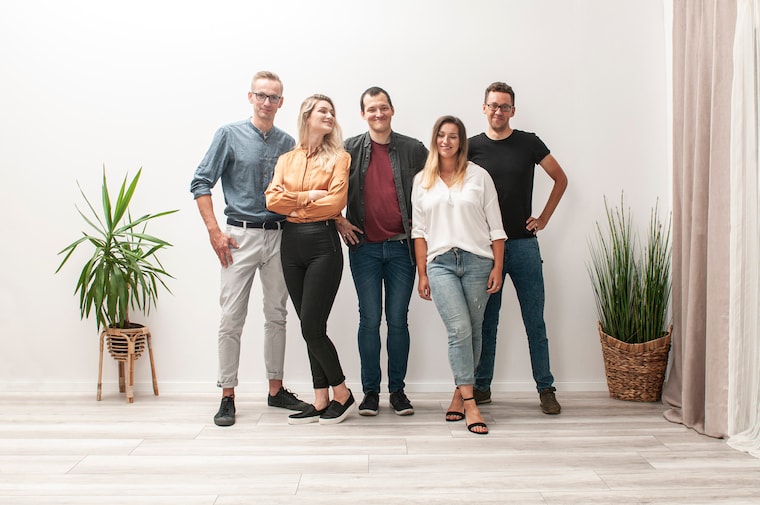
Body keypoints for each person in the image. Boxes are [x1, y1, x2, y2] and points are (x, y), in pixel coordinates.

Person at [190, 71, 310, 427]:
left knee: (277, 314)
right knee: (231, 317)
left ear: (281, 102)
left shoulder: (288, 143)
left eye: (273, 97)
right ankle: (227, 394)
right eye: (261, 95)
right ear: (250, 97)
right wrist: (215, 232)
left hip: (279, 236)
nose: (267, 102)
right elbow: (201, 181)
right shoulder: (229, 134)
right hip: (239, 237)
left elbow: (295, 192)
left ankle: (276, 389)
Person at [468, 81, 568, 415]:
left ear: (513, 110)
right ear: (484, 108)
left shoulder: (529, 143)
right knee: (488, 323)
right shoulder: (471, 148)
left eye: (504, 106)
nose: (498, 111)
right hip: (487, 249)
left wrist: (544, 218)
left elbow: (561, 179)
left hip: (524, 246)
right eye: (493, 105)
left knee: (534, 321)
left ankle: (546, 388)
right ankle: (482, 387)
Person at [411, 116, 506, 435]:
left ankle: (459, 393)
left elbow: (496, 227)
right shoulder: (422, 180)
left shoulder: (479, 176)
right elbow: (419, 232)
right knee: (459, 329)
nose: (446, 141)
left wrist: (498, 267)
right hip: (440, 263)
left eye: (453, 136)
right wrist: (422, 273)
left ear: (461, 142)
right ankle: (471, 402)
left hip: (479, 261)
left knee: (474, 331)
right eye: (441, 135)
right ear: (434, 139)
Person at [265, 94, 355, 425]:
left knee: (311, 326)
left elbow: (335, 203)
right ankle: (320, 399)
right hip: (291, 244)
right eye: (323, 111)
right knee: (309, 327)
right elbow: (271, 200)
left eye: (332, 112)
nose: (330, 116)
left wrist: (296, 205)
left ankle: (342, 393)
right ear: (307, 116)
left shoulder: (340, 158)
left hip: (322, 244)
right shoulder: (286, 159)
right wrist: (307, 197)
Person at [338, 87, 428, 416]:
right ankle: (371, 393)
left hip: (402, 248)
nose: (378, 114)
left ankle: (398, 391)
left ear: (392, 110)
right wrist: (338, 220)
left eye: (383, 108)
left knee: (398, 320)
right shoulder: (348, 150)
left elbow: (434, 188)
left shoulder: (414, 149)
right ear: (363, 114)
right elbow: (327, 188)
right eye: (372, 109)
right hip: (364, 249)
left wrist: (426, 230)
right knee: (370, 320)